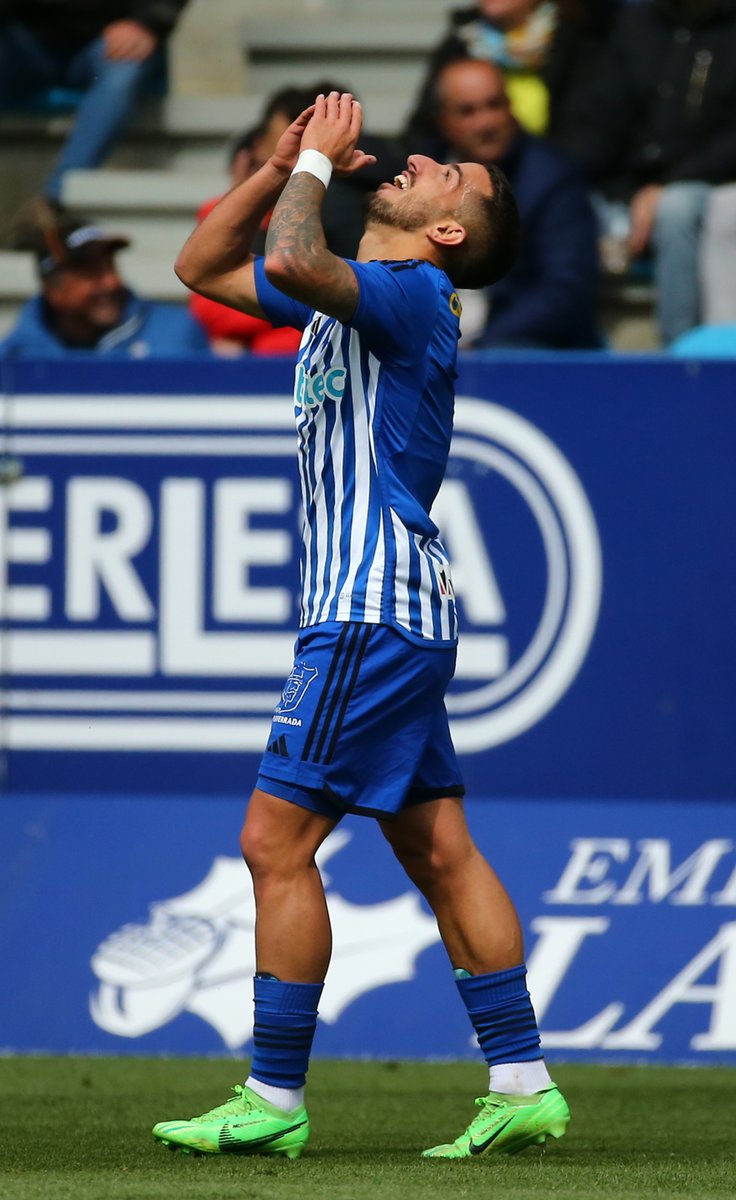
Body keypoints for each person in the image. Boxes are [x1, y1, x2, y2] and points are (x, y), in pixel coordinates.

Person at [151, 90, 570, 1161]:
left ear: (444, 233)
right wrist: (283, 161)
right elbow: (199, 268)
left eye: (447, 176)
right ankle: (522, 1083)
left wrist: (315, 170)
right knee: (438, 846)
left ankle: (273, 1097)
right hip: (398, 611)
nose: (424, 158)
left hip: (368, 610)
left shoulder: (413, 294)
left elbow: (290, 261)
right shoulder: (365, 297)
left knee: (271, 841)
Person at [559, 0, 736, 345]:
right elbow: (601, 117)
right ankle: (568, 345)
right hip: (629, 185)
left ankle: (681, 351)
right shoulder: (636, 23)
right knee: (555, 197)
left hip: (708, 183)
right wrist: (569, 174)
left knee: (676, 209)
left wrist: (668, 184)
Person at [191, 82, 406, 356]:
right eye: (278, 147)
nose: (282, 158)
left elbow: (323, 303)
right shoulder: (224, 213)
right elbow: (208, 298)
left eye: (295, 148)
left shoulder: (342, 208)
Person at [409, 57, 601, 349]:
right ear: (443, 121)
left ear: (511, 107)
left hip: (514, 344)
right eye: (467, 111)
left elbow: (566, 289)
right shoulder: (420, 170)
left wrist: (484, 343)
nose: (485, 122)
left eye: (494, 105)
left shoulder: (553, 178)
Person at [0, 1, 190, 201]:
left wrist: (148, 22)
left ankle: (56, 204)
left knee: (123, 72)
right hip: (21, 38)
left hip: (114, 37)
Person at [1, 209, 209, 357]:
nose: (111, 282)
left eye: (111, 267)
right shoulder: (16, 356)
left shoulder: (175, 333)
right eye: (91, 274)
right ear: (53, 290)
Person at [406, 0, 614, 146]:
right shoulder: (460, 41)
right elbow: (424, 126)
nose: (484, 121)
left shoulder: (574, 40)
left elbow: (591, 133)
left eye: (494, 105)